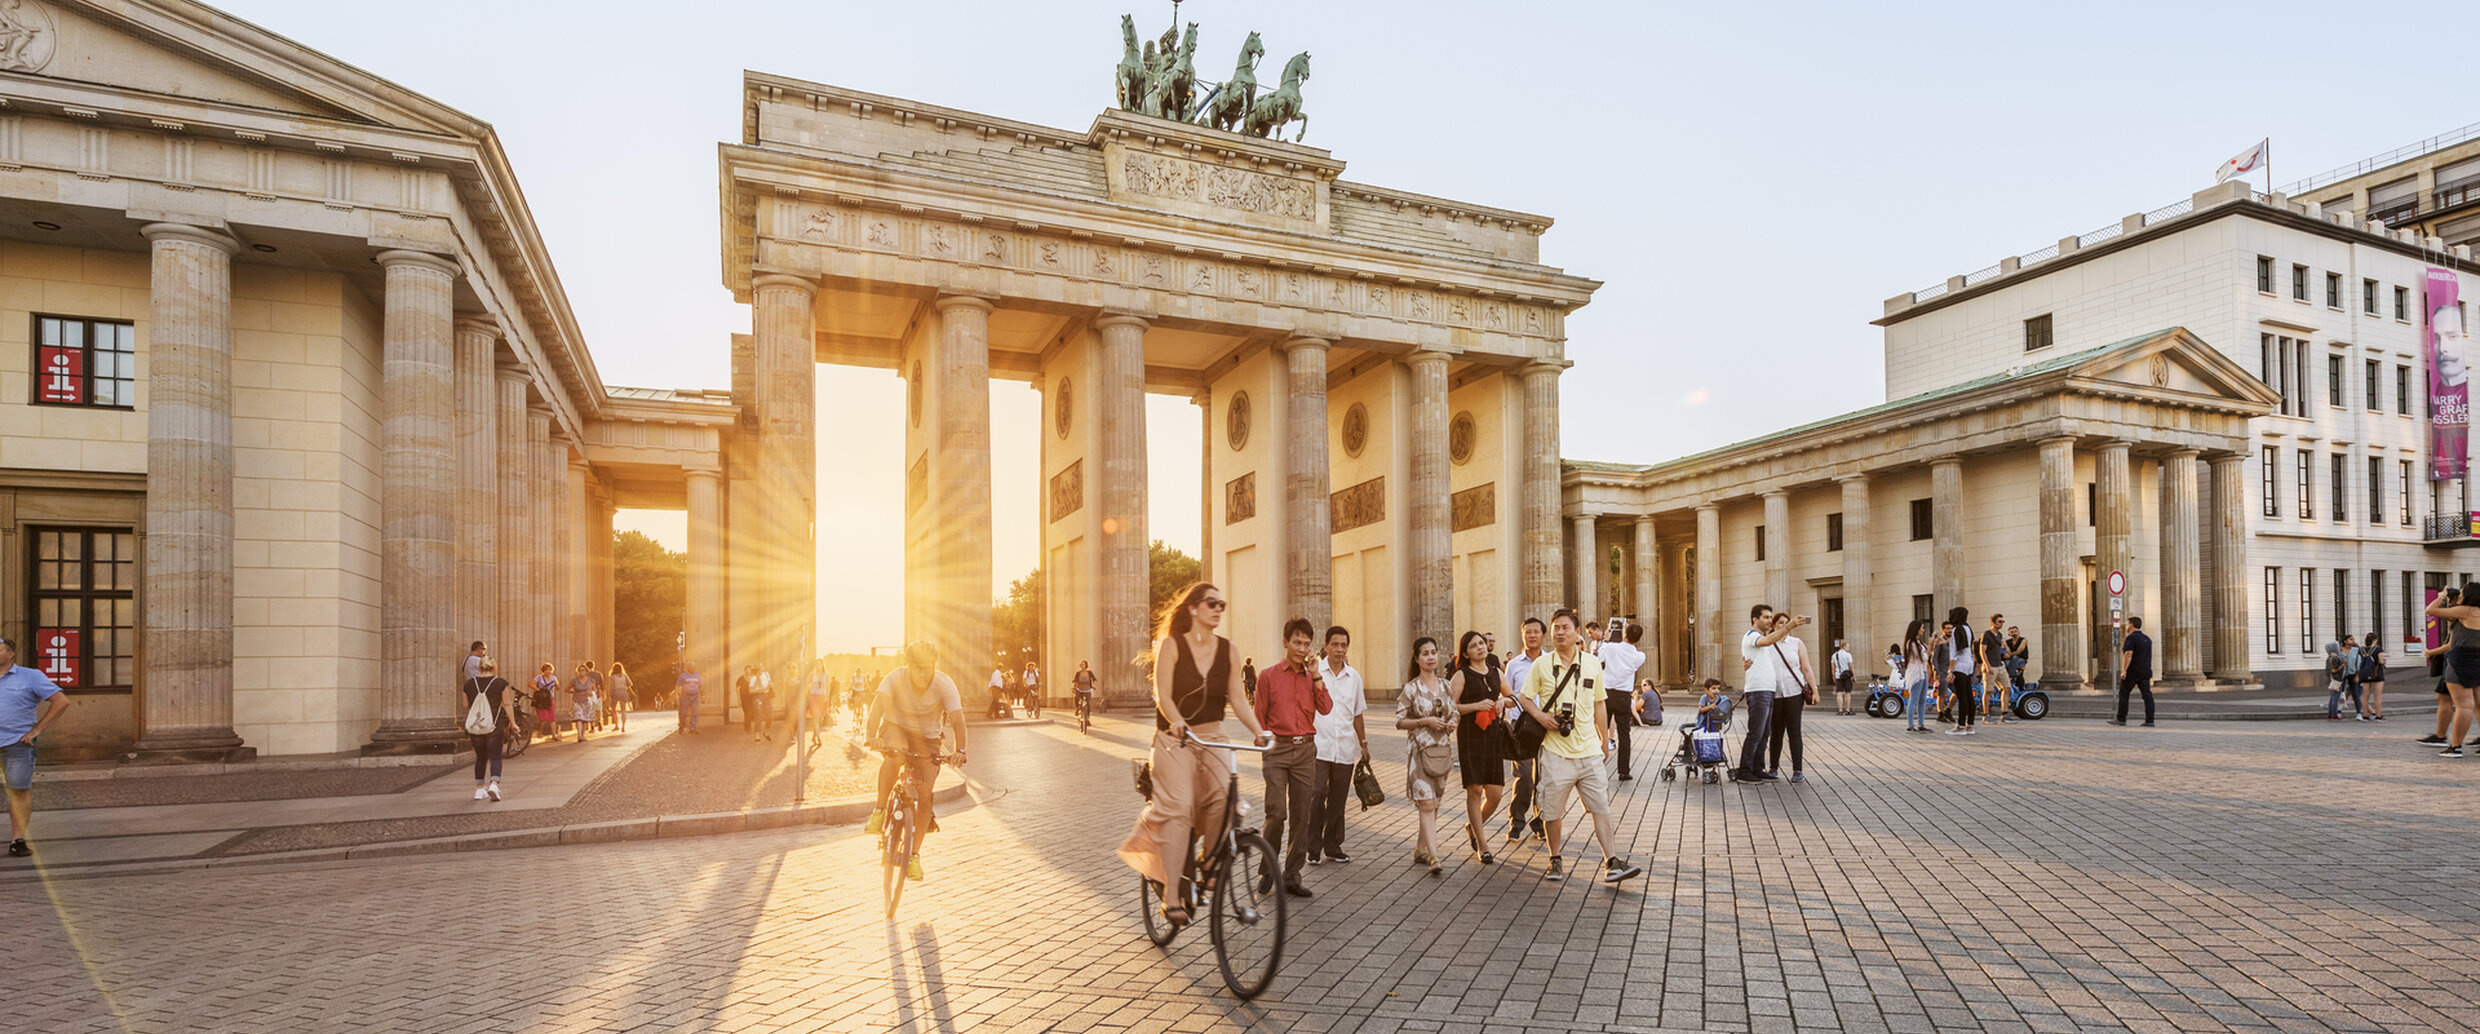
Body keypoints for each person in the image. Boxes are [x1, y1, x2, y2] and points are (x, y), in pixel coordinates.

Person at [1118, 582, 1271, 923]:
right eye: (1212, 603)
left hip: (1212, 734)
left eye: (1222, 604)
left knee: (1223, 796)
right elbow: (1163, 696)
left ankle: (1208, 862)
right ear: (1193, 608)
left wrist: (1260, 732)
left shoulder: (1228, 650)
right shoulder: (1172, 646)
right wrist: (1176, 721)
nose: (1218, 609)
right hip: (1175, 738)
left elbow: (1239, 700)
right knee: (1180, 808)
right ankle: (1172, 895)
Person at [1512, 609, 1643, 884]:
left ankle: (1611, 862)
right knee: (1552, 812)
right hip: (1555, 752)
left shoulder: (1593, 663)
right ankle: (1555, 858)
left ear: (1576, 632)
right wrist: (1542, 717)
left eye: (1565, 628)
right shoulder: (1542, 665)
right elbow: (1524, 698)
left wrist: (1604, 740)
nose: (1560, 632)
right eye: (1556, 628)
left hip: (1588, 751)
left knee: (1601, 807)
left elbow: (1599, 703)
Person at [864, 640, 969, 881]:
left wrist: (960, 749)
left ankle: (914, 856)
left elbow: (957, 720)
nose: (923, 672)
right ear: (908, 665)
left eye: (928, 667)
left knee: (925, 793)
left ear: (935, 666)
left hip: (928, 738)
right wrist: (871, 736)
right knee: (897, 753)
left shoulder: (945, 684)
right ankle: (879, 810)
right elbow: (877, 709)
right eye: (918, 667)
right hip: (896, 728)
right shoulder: (894, 678)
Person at [1254, 617, 1333, 897]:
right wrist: (1263, 742)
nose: (1302, 648)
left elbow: (1326, 708)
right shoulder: (1268, 675)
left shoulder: (1313, 676)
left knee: (1302, 815)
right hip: (1277, 750)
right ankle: (1268, 869)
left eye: (1306, 643)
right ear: (1285, 642)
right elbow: (1259, 715)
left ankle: (1292, 874)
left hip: (1305, 751)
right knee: (1276, 812)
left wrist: (1317, 676)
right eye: (1297, 642)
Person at [0, 637, 72, 858]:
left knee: (19, 790)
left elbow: (61, 701)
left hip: (17, 743)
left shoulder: (31, 676)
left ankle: (17, 840)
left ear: (10, 654)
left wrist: (36, 730)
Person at [1306, 626, 1368, 867]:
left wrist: (1363, 743)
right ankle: (1313, 848)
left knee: (1338, 799)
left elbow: (1357, 714)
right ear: (1326, 646)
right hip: (1318, 746)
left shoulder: (1354, 677)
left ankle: (1332, 845)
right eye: (1335, 644)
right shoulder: (1313, 672)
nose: (1339, 649)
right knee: (1317, 792)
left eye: (1344, 645)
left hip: (1344, 746)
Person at [1394, 636, 1456, 876]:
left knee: (1434, 803)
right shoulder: (1411, 688)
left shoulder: (1446, 685)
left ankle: (1421, 849)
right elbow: (1399, 721)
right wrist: (1424, 721)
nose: (1431, 657)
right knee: (1427, 803)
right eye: (1425, 653)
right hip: (1419, 751)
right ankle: (1434, 855)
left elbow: (1455, 712)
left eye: (1433, 652)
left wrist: (1452, 721)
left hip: (1441, 751)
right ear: (1417, 658)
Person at [1447, 631, 1504, 866]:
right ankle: (1483, 845)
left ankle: (1473, 825)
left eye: (1481, 643)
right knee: (1475, 790)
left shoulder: (1496, 671)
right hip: (1470, 736)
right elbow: (1449, 707)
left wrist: (1503, 701)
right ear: (1466, 653)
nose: (1480, 647)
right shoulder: (1461, 675)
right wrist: (1475, 705)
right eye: (1473, 646)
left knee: (1495, 794)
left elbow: (1513, 697)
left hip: (1492, 736)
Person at [1736, 603, 1803, 779]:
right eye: (1766, 617)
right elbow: (1766, 641)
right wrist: (1789, 626)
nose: (1769, 620)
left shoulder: (1761, 637)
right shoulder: (1752, 636)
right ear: (1755, 619)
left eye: (1769, 617)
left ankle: (1758, 768)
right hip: (1758, 691)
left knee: (1764, 733)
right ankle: (1744, 771)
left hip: (1767, 690)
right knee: (1756, 733)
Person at [1502, 617, 1549, 842]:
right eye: (1527, 632)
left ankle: (1539, 822)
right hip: (1520, 727)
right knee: (1524, 777)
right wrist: (1507, 703)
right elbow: (1508, 694)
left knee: (1544, 777)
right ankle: (1516, 821)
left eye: (1535, 632)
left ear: (1543, 635)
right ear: (1522, 635)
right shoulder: (1514, 665)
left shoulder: (1551, 661)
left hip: (1546, 726)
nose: (1531, 635)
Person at [2424, 584, 2480, 758]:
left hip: (2460, 661)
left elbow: (2430, 611)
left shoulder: (2466, 611)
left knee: (2464, 705)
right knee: (2478, 704)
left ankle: (2455, 747)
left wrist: (2441, 596)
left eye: (2462, 593)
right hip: (2478, 660)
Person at [1762, 612, 1815, 781]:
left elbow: (1806, 668)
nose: (1783, 626)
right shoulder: (1767, 644)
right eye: (1780, 623)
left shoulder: (1796, 643)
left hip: (1794, 692)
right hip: (1775, 693)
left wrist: (1815, 690)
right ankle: (1773, 768)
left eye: (1787, 622)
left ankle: (1797, 770)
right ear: (1773, 626)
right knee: (1776, 732)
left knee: (1794, 731)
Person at [1596, 622, 1646, 780]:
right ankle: (1623, 771)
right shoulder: (1640, 656)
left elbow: (1599, 657)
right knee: (1624, 735)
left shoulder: (1611, 647)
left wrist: (1606, 639)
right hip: (1624, 695)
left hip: (1606, 693)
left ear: (1624, 634)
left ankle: (1596, 767)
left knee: (1601, 732)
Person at [462, 660, 515, 801]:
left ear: (479, 667)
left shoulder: (469, 684)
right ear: (494, 667)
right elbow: (507, 704)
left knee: (480, 757)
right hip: (494, 725)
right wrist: (514, 723)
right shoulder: (500, 683)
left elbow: (466, 705)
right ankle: (493, 784)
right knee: (496, 757)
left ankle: (479, 790)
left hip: (476, 726)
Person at [2109, 616, 2155, 726]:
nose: (2126, 626)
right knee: (2147, 695)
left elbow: (2128, 654)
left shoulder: (2131, 638)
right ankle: (2150, 720)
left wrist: (2124, 670)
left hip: (2133, 671)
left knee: (2124, 693)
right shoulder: (2147, 639)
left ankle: (2121, 718)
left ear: (2131, 625)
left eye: (2127, 624)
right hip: (2145, 671)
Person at [1941, 609, 1979, 735]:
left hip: (1959, 665)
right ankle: (1970, 725)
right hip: (1969, 663)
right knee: (1969, 695)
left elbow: (1954, 652)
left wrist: (1950, 671)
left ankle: (1961, 726)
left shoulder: (1956, 629)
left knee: (1962, 696)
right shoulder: (1968, 628)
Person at [1898, 619, 1933, 733]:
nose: (1923, 630)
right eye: (1922, 628)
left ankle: (1921, 723)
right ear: (1916, 629)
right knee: (1914, 699)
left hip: (1922, 672)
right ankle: (1910, 724)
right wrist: (1931, 645)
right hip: (1915, 672)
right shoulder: (1911, 643)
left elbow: (1927, 655)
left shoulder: (1919, 643)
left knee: (1923, 699)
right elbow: (1924, 657)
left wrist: (1933, 644)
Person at [1982, 614, 2013, 723]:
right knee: (1988, 691)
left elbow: (1999, 650)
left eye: (2003, 621)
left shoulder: (1999, 635)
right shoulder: (1986, 635)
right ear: (1993, 623)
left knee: (2007, 688)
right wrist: (1987, 665)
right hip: (1990, 666)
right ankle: (1986, 715)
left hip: (1999, 665)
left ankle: (2004, 713)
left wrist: (2001, 659)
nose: (2002, 623)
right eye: (2000, 621)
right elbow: (1983, 651)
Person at [2324, 635, 2363, 721]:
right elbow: (2334, 666)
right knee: (2340, 694)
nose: (2352, 641)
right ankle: (2338, 711)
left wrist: (2357, 675)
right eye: (2350, 639)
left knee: (2355, 693)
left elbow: (2358, 663)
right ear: (2345, 641)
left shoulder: (2356, 650)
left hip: (2352, 673)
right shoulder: (2339, 652)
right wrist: (2342, 665)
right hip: (2342, 675)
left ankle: (2359, 712)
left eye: (2353, 639)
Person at [570, 662, 602, 742]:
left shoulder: (591, 680)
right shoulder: (574, 680)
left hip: (587, 701)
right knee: (579, 718)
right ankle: (579, 735)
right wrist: (574, 692)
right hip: (577, 701)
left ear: (586, 671)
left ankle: (583, 735)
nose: (581, 672)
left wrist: (591, 692)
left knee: (584, 720)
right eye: (580, 670)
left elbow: (595, 689)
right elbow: (566, 689)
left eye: (583, 670)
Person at [2359, 633, 2388, 722]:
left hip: (2364, 673)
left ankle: (2365, 715)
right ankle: (2378, 716)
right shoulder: (2378, 649)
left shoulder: (2361, 650)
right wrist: (2384, 662)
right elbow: (2381, 661)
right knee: (2377, 696)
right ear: (2375, 640)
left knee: (2365, 695)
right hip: (2377, 673)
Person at [531, 663, 560, 741]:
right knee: (543, 718)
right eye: (546, 670)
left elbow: (558, 688)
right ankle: (540, 732)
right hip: (541, 700)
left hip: (550, 699)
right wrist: (539, 690)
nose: (548, 671)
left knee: (552, 717)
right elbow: (531, 684)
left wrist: (556, 685)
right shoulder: (539, 677)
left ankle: (554, 735)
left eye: (549, 670)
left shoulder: (553, 678)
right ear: (543, 671)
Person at [676, 661, 703, 733]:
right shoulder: (682, 676)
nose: (692, 668)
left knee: (695, 712)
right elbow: (677, 686)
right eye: (690, 667)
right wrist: (677, 695)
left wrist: (703, 695)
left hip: (695, 696)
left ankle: (692, 728)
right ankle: (681, 727)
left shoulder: (697, 676)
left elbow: (700, 686)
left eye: (693, 667)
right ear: (687, 668)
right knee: (683, 712)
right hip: (685, 696)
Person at [1829, 639, 1854, 715]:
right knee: (1847, 693)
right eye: (1848, 647)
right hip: (1846, 676)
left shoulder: (1834, 655)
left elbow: (1833, 668)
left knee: (1839, 693)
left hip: (1838, 676)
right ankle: (1847, 710)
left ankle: (1840, 710)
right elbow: (1851, 667)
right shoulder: (1848, 655)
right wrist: (1854, 676)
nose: (1849, 649)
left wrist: (1833, 677)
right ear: (1844, 647)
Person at [607, 662, 632, 734]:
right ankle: (623, 726)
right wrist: (625, 687)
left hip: (616, 693)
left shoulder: (612, 677)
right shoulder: (624, 676)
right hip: (624, 692)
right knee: (623, 710)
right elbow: (630, 683)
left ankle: (616, 725)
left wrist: (610, 695)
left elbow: (612, 687)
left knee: (613, 709)